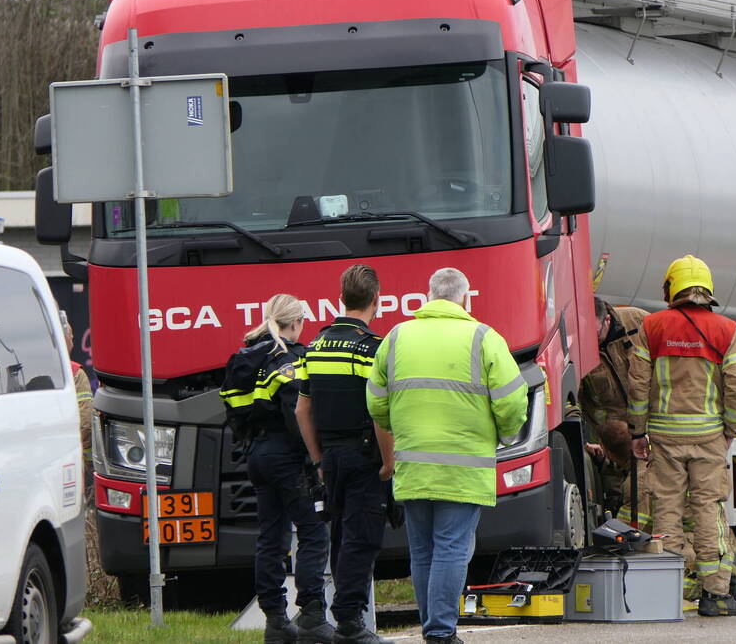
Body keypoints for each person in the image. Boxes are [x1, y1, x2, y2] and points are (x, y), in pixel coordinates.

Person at [366, 268, 527, 644]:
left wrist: (400, 428)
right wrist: (504, 435)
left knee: (422, 551)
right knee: (452, 548)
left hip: (413, 465)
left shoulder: (397, 336)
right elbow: (511, 400)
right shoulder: (483, 337)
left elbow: (376, 400)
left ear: (429, 295)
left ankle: (432, 627)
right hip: (463, 467)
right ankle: (440, 632)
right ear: (465, 298)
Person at [627, 255, 736, 617]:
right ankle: (716, 595)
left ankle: (671, 593)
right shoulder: (726, 329)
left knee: (667, 511)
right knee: (709, 511)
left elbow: (638, 385)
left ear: (671, 288)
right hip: (709, 436)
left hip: (663, 436)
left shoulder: (653, 326)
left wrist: (637, 431)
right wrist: (729, 428)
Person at [221, 294, 330, 644]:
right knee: (314, 531)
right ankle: (313, 613)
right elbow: (296, 415)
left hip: (257, 454)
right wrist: (316, 459)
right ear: (296, 322)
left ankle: (276, 620)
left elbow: (234, 412)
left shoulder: (245, 356)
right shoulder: (291, 358)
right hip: (287, 455)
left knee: (272, 537)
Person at [295, 265, 393, 644]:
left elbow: (302, 411)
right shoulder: (373, 347)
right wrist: (388, 461)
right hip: (365, 456)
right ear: (375, 300)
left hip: (331, 458)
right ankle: (351, 624)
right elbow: (379, 412)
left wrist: (319, 459)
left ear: (342, 297)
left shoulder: (314, 346)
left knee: (340, 536)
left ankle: (344, 618)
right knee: (361, 538)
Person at [579, 297, 649, 512]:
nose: (592, 342)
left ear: (607, 320)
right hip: (614, 444)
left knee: (648, 493)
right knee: (621, 502)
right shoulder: (576, 342)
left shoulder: (640, 322)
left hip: (652, 432)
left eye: (595, 334)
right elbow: (571, 396)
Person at [61, 314, 93, 486]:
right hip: (72, 465)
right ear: (63, 339)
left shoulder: (31, 376)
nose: (73, 342)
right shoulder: (75, 374)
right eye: (71, 338)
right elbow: (86, 422)